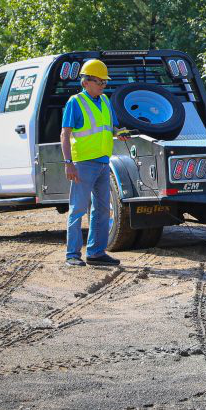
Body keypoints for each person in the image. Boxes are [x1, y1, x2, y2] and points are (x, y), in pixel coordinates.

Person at [61, 59, 124, 267]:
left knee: (102, 209)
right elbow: (65, 134)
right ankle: (72, 255)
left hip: (104, 163)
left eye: (105, 82)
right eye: (99, 81)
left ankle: (96, 253)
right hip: (83, 164)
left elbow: (111, 128)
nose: (103, 85)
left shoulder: (105, 101)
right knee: (78, 209)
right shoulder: (75, 102)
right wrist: (68, 162)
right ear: (86, 82)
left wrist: (119, 133)